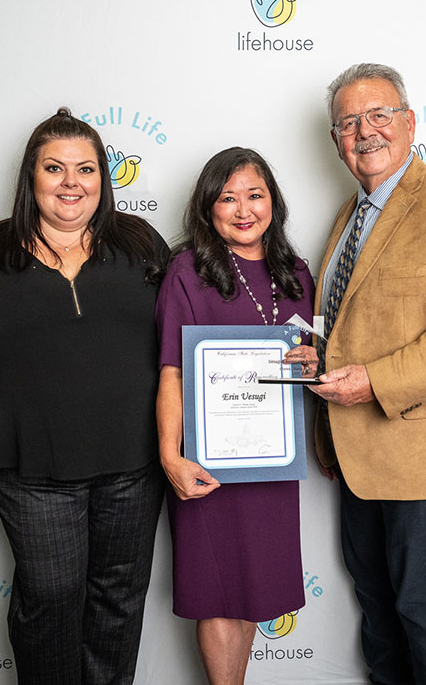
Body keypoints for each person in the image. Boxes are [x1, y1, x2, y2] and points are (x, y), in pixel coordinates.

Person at [284, 63, 426, 685]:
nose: (365, 132)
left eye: (379, 115)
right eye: (349, 122)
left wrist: (373, 382)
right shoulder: (347, 215)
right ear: (335, 139)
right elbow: (357, 323)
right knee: (379, 611)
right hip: (356, 453)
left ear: (410, 123)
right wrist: (321, 359)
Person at [0, 108, 169, 684]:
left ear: (103, 178)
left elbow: (193, 323)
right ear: (31, 176)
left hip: (133, 463)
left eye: (85, 168)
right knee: (49, 601)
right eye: (54, 168)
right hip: (31, 466)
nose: (71, 182)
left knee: (119, 601)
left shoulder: (140, 244)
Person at [155, 147, 314, 685]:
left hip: (271, 462)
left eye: (255, 195)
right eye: (227, 197)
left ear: (274, 202)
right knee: (218, 593)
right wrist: (170, 457)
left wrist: (314, 362)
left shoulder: (295, 273)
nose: (243, 210)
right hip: (208, 465)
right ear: (208, 207)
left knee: (253, 587)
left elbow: (309, 368)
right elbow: (171, 373)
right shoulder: (187, 271)